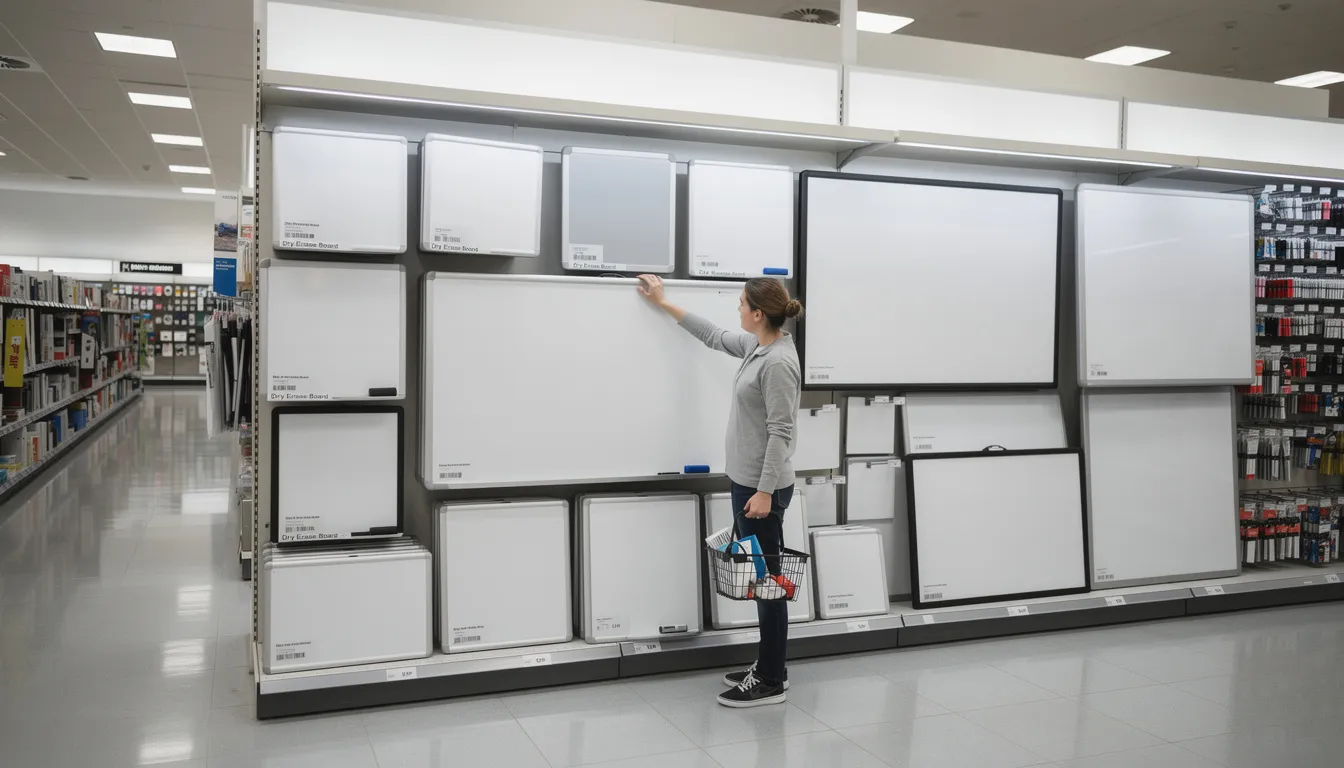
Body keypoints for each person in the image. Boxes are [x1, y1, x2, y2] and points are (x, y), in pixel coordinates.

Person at [636, 273, 803, 708]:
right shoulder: (756, 347)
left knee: (768, 583)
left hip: (760, 490)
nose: (737, 309)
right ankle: (771, 665)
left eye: (742, 303)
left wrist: (765, 492)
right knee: (762, 579)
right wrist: (663, 303)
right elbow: (711, 335)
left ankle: (769, 680)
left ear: (758, 313)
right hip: (747, 482)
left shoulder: (778, 363)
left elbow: (781, 432)